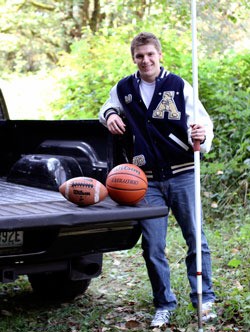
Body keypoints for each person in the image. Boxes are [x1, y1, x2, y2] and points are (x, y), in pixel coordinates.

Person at [99, 32, 216, 328]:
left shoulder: (178, 86)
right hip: (145, 180)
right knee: (152, 246)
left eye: (150, 54)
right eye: (139, 56)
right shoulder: (125, 88)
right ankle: (164, 303)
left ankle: (204, 299)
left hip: (183, 174)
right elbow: (106, 108)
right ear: (133, 58)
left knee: (195, 239)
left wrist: (201, 135)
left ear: (159, 55)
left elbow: (201, 123)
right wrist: (111, 113)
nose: (145, 60)